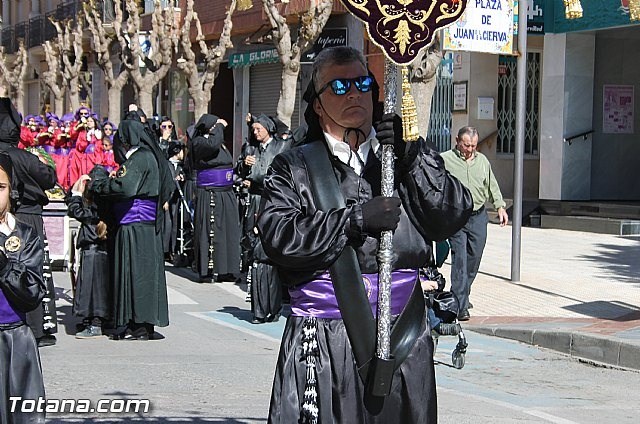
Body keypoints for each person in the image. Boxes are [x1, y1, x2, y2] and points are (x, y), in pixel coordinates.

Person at [258, 46, 472, 423]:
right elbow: (279, 237)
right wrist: (352, 220)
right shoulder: (294, 166)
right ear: (318, 104)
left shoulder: (399, 159)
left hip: (403, 335)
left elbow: (451, 214)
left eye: (362, 83)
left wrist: (413, 159)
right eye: (339, 86)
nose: (354, 93)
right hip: (327, 339)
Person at [89, 120, 170, 341]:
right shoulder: (154, 157)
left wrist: (99, 184)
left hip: (133, 224)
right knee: (146, 275)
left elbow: (124, 187)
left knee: (133, 275)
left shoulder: (139, 158)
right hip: (148, 226)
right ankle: (145, 325)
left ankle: (135, 325)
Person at [0, 98, 59, 347]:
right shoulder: (23, 156)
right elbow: (48, 178)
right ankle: (37, 326)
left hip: (18, 216)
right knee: (29, 272)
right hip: (27, 219)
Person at [441, 126, 509, 321]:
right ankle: (460, 305)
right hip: (457, 217)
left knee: (474, 258)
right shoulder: (445, 159)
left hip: (478, 215)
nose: (470, 149)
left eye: (473, 145)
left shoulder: (482, 161)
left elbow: (491, 185)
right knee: (460, 259)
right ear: (457, 141)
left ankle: (463, 292)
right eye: (466, 145)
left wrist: (500, 207)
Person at [0, 152, 46, 424]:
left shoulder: (25, 234)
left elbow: (33, 293)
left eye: (0, 187)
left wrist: (5, 266)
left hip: (16, 340)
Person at [236, 114, 291, 324]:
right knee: (256, 255)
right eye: (253, 129)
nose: (255, 132)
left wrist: (256, 178)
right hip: (254, 205)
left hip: (272, 204)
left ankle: (273, 306)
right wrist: (244, 165)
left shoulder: (280, 147)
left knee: (270, 255)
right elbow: (239, 171)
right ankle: (260, 308)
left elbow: (277, 175)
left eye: (259, 128)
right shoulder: (251, 148)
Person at [190, 114, 240, 283]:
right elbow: (213, 144)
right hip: (210, 193)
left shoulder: (218, 143)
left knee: (228, 231)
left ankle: (227, 269)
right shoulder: (200, 142)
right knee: (210, 232)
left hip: (226, 192)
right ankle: (208, 270)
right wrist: (219, 126)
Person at [66, 172, 111, 339]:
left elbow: (74, 210)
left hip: (94, 250)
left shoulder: (95, 209)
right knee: (93, 288)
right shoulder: (105, 204)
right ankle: (90, 320)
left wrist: (76, 193)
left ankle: (96, 323)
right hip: (96, 249)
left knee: (94, 290)